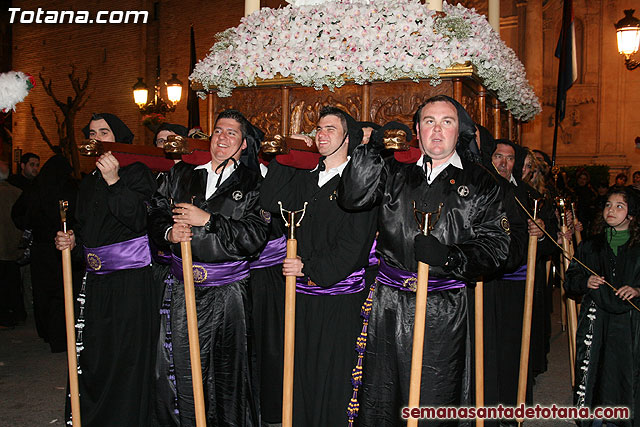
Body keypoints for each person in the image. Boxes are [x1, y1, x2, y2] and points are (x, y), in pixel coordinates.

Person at [338, 95, 511, 426]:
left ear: (458, 131)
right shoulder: (395, 172)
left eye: (446, 122)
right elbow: (353, 197)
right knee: (382, 395)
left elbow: (496, 247)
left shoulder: (480, 182)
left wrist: (450, 255)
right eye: (429, 122)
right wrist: (372, 150)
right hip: (389, 304)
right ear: (417, 131)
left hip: (442, 306)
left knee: (435, 394)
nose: (437, 130)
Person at [148, 109, 269, 427]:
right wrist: (168, 233)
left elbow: (254, 237)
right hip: (181, 290)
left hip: (228, 297)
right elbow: (157, 210)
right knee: (181, 372)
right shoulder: (183, 174)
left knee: (227, 378)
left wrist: (209, 221)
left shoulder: (255, 183)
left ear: (244, 144)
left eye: (232, 133)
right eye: (218, 131)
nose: (222, 138)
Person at [259, 106, 378, 426]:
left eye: (330, 129)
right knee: (300, 374)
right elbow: (270, 203)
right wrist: (287, 155)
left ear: (348, 139)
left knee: (333, 377)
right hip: (299, 297)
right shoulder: (306, 177)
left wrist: (308, 268)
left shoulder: (359, 183)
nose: (320, 135)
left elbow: (354, 248)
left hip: (338, 298)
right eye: (318, 129)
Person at [55, 113, 159, 426]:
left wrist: (115, 181)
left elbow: (138, 219)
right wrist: (72, 241)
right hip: (96, 283)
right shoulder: (88, 182)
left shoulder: (138, 172)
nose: (97, 138)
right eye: (92, 133)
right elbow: (88, 230)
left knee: (124, 357)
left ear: (120, 138)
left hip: (130, 282)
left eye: (105, 131)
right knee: (95, 354)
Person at [565, 186, 640, 427]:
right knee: (597, 369)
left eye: (620, 206)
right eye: (608, 205)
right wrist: (586, 281)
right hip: (596, 321)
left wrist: (638, 290)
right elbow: (570, 280)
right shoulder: (590, 246)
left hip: (630, 323)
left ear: (632, 214)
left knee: (626, 372)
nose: (612, 210)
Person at [12, 154, 79, 351]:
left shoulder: (35, 188)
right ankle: (63, 335)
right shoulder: (71, 188)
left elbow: (19, 215)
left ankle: (48, 333)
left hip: (41, 249)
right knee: (63, 291)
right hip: (65, 246)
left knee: (44, 292)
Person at [0, 160, 25, 328]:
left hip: (2, 246)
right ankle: (17, 313)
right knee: (13, 282)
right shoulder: (17, 192)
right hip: (13, 245)